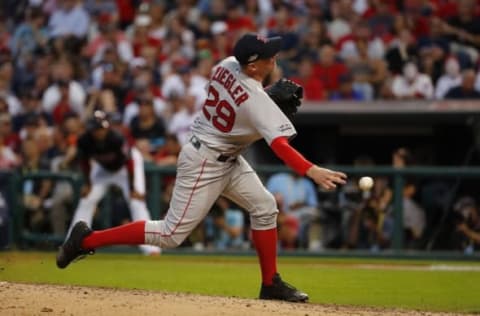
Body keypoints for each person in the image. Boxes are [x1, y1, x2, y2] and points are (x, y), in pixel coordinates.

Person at [56, 33, 347, 302]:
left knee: (265, 207)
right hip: (205, 161)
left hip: (224, 154)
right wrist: (312, 170)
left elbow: (241, 101)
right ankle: (87, 239)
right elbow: (280, 144)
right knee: (170, 234)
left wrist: (266, 95)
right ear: (253, 65)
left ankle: (270, 283)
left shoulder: (227, 64)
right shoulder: (258, 101)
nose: (274, 59)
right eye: (268, 57)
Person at [62, 110, 160, 255]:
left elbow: (130, 162)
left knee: (136, 201)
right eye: (96, 129)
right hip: (103, 170)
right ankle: (73, 244)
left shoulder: (117, 138)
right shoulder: (84, 140)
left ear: (107, 127)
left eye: (101, 128)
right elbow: (85, 162)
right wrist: (88, 184)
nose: (99, 132)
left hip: (126, 169)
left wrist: (133, 188)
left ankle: (151, 248)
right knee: (86, 200)